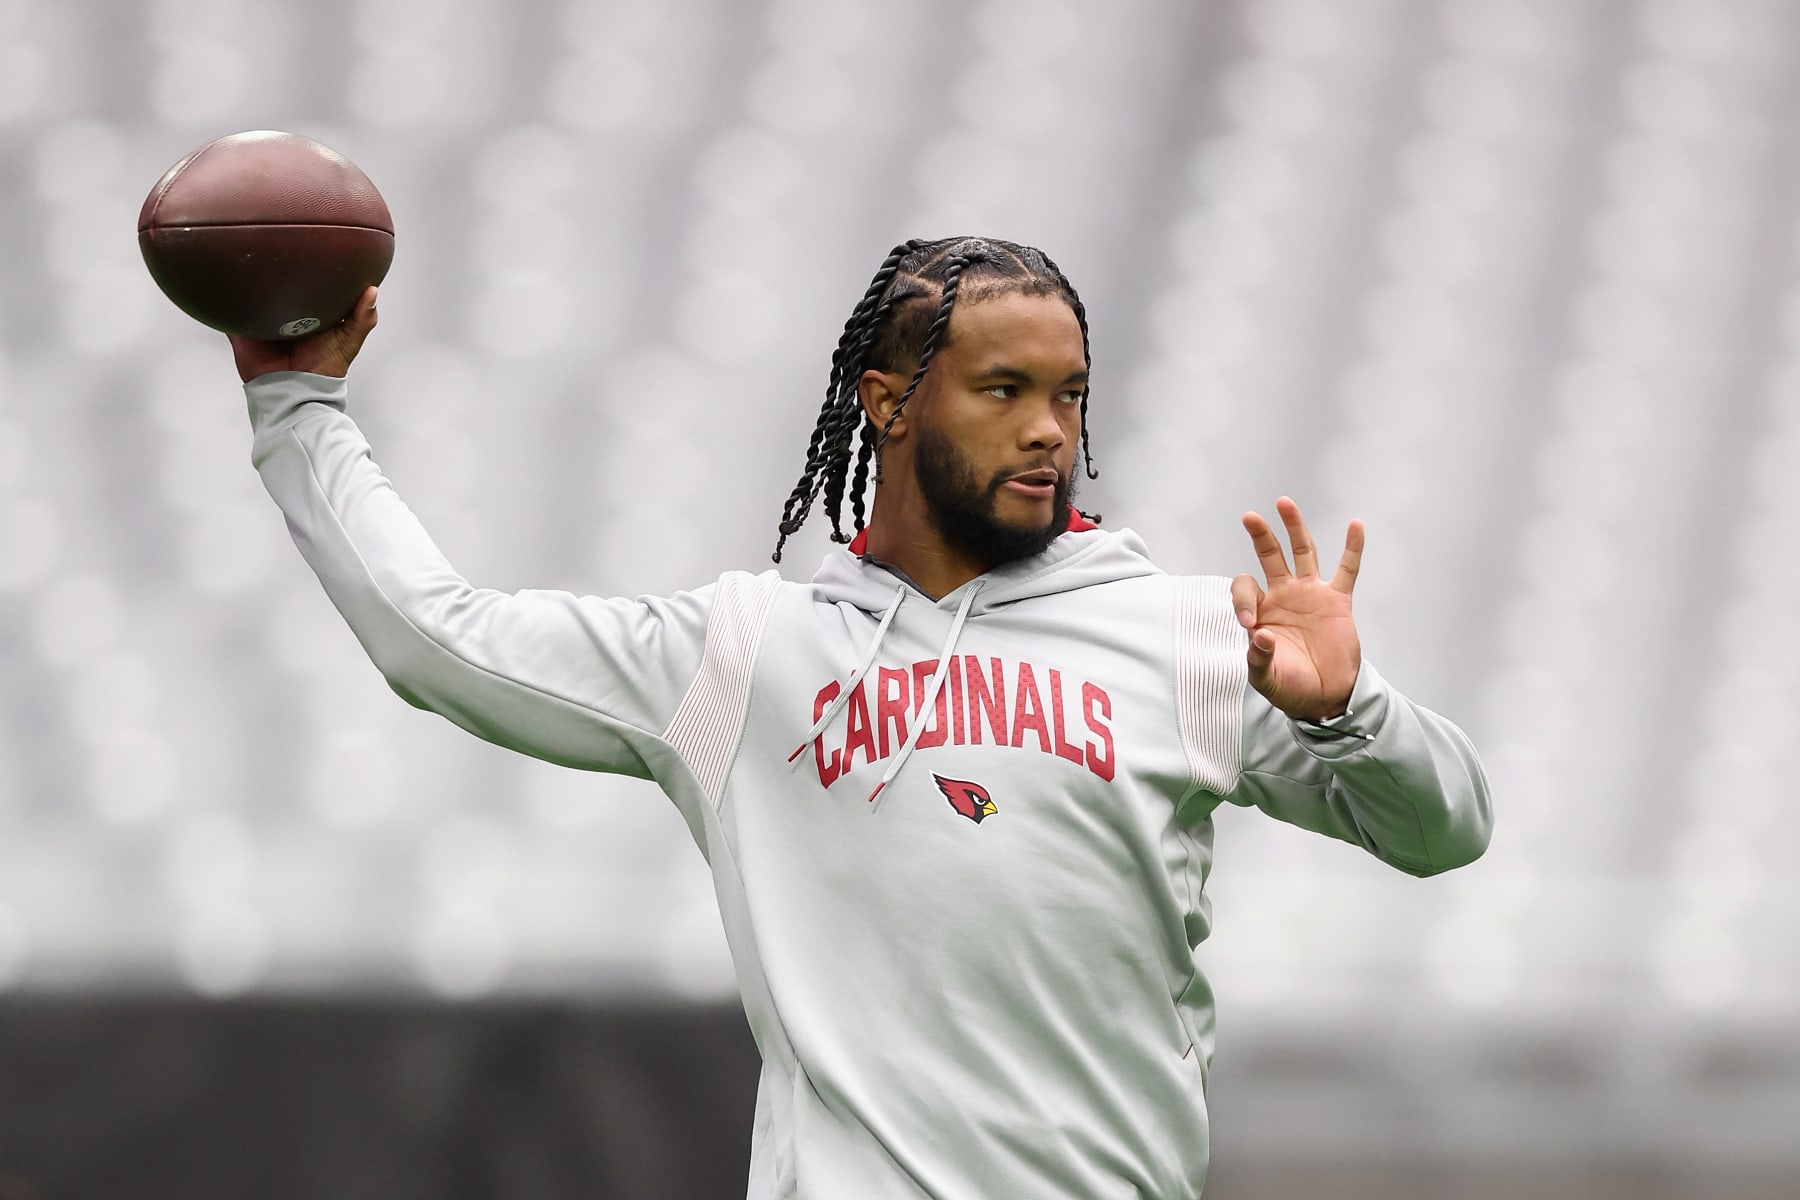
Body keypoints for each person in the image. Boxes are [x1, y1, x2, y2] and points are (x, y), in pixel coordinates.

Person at [231, 236, 1492, 1198]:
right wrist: (298, 411)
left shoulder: (1193, 635)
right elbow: (440, 640)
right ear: (888, 404)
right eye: (1004, 389)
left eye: (1069, 394)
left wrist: (1351, 712)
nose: (1049, 431)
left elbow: (1445, 831)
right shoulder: (747, 654)